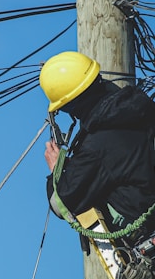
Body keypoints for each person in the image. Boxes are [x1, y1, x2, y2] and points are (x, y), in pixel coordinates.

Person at [39, 51, 155, 236]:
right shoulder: (142, 109)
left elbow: (61, 204)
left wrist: (56, 169)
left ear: (69, 106)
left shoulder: (96, 146)